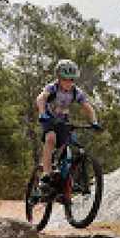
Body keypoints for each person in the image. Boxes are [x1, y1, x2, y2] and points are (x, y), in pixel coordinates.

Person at [35, 58, 101, 194]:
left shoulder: (76, 92)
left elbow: (88, 107)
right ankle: (46, 175)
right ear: (58, 78)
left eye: (72, 79)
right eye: (65, 79)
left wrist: (94, 122)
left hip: (63, 121)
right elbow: (40, 98)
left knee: (73, 145)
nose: (69, 82)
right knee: (51, 139)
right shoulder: (52, 88)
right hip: (49, 119)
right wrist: (42, 113)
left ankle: (69, 180)